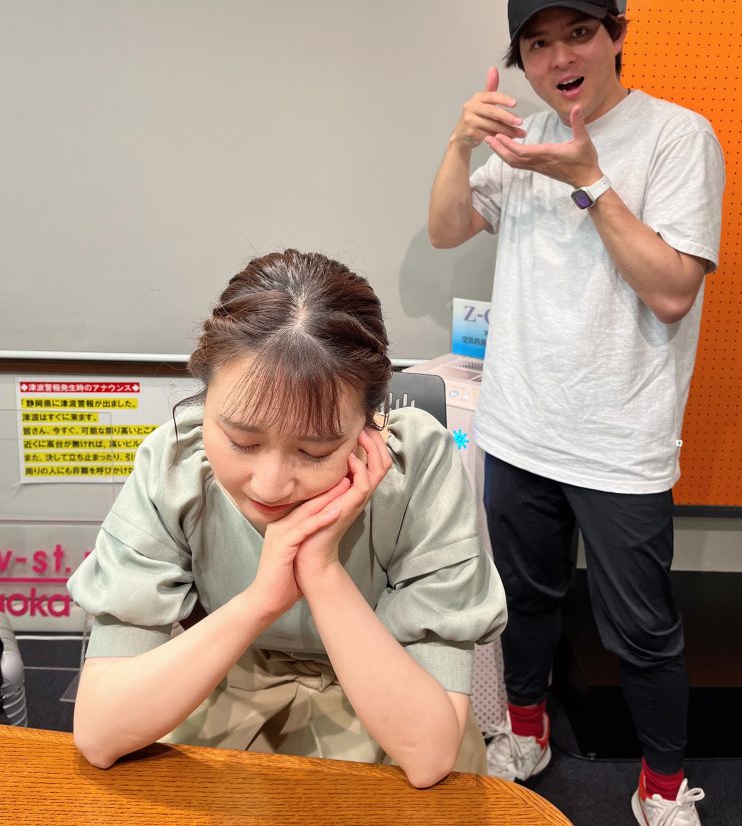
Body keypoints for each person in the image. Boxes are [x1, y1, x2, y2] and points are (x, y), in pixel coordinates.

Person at [428, 0, 723, 825]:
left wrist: (589, 180)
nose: (561, 56)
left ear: (616, 35)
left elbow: (672, 290)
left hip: (622, 438)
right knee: (524, 602)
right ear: (521, 60)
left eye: (580, 32)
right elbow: (445, 229)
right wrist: (460, 144)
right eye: (538, 43)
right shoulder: (519, 140)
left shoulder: (678, 137)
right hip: (518, 425)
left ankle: (660, 786)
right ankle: (524, 731)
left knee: (643, 629)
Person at [67, 249, 506, 788]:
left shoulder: (419, 469)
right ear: (204, 402)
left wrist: (321, 571)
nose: (270, 485)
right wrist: (260, 601)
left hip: (389, 696)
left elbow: (429, 754)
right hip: (217, 682)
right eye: (241, 441)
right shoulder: (174, 465)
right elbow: (100, 733)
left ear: (372, 423)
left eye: (315, 451)